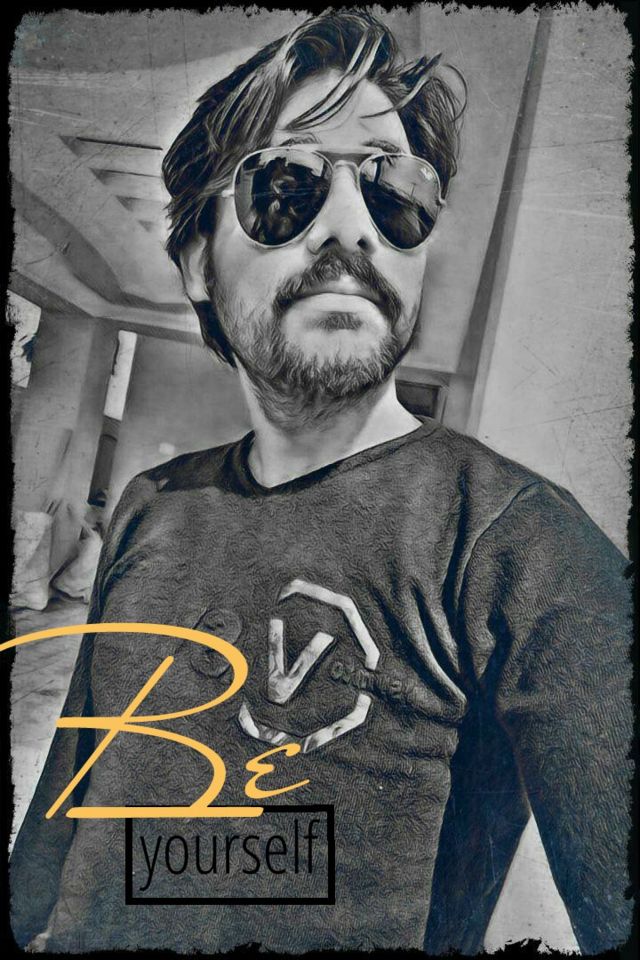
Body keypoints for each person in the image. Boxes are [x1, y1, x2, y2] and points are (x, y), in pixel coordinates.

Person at [10, 10, 632, 955]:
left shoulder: (522, 547)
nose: (351, 225)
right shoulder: (150, 504)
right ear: (197, 263)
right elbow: (75, 778)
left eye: (395, 190)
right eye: (286, 185)